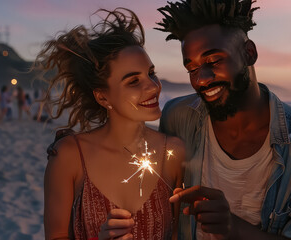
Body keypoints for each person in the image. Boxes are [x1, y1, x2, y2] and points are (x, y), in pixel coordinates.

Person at [156, 0, 291, 239]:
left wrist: (233, 227)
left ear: (249, 53)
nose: (201, 79)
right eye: (191, 69)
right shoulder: (176, 118)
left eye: (213, 61)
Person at [39, 8, 185, 240]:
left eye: (151, 73)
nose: (153, 86)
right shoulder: (69, 156)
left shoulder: (174, 153)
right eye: (134, 81)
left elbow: (180, 234)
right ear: (103, 97)